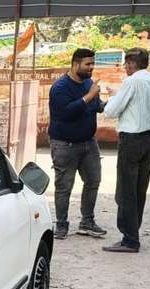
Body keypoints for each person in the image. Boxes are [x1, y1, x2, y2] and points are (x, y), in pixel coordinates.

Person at [101, 48, 150, 253]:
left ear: (131, 64)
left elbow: (111, 111)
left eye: (126, 63)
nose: (125, 67)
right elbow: (142, 104)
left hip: (131, 140)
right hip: (148, 139)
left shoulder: (132, 81)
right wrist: (117, 95)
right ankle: (132, 231)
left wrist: (111, 98)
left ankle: (130, 240)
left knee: (126, 190)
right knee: (139, 189)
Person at [48, 48, 108, 240]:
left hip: (89, 143)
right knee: (64, 186)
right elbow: (65, 113)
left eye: (93, 64)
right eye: (87, 64)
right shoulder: (60, 88)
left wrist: (113, 102)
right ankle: (62, 225)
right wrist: (89, 96)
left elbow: (96, 106)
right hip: (64, 145)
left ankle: (87, 222)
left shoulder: (90, 83)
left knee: (93, 181)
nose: (91, 68)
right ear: (75, 64)